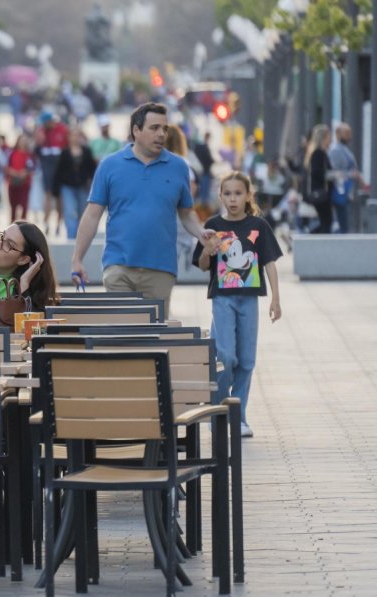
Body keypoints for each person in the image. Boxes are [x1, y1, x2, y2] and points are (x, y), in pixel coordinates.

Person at [70, 103, 215, 316]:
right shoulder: (110, 165)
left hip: (161, 269)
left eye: (164, 129)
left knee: (154, 334)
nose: (161, 134)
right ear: (136, 131)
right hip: (118, 266)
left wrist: (200, 232)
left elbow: (186, 214)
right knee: (124, 330)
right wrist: (77, 259)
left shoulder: (178, 167)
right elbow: (92, 215)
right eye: (154, 128)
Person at [192, 172, 283, 438]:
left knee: (246, 361)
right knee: (226, 356)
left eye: (238, 193)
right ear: (220, 196)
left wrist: (276, 298)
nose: (233, 199)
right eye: (228, 194)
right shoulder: (213, 224)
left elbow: (270, 263)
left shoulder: (259, 225)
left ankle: (238, 417)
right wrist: (208, 249)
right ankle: (219, 410)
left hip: (249, 300)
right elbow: (202, 265)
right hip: (222, 299)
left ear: (248, 196)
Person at [165, 125, 199, 277]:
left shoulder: (162, 162)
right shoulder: (183, 162)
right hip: (179, 213)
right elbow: (191, 188)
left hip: (170, 215)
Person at [52, 128, 97, 239]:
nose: (75, 138)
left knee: (83, 212)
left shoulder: (86, 151)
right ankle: (71, 237)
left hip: (82, 186)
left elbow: (92, 170)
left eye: (77, 135)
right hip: (67, 186)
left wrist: (94, 185)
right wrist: (55, 189)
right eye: (73, 135)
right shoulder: (64, 152)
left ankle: (81, 237)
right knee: (69, 211)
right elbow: (58, 171)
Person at [35, 111, 69, 235]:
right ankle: (46, 223)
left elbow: (67, 146)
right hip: (46, 164)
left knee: (59, 195)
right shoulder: (42, 131)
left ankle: (59, 223)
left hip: (59, 165)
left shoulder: (62, 129)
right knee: (47, 194)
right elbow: (36, 148)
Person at [328, 122, 363, 233]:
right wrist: (350, 174)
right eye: (347, 133)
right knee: (342, 224)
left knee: (345, 224)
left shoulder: (344, 149)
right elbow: (334, 172)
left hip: (347, 193)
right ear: (338, 134)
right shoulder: (335, 150)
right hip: (340, 193)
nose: (350, 136)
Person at [303, 123, 333, 235]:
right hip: (320, 193)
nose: (330, 140)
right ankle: (309, 239)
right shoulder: (318, 153)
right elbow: (317, 172)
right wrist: (331, 175)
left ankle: (309, 237)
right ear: (323, 138)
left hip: (319, 193)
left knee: (324, 222)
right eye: (329, 137)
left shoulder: (316, 152)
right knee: (326, 222)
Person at [4, 134, 35, 223]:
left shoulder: (29, 155)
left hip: (24, 183)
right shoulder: (12, 154)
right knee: (13, 206)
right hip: (13, 183)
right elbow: (7, 167)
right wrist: (13, 172)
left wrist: (24, 173)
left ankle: (23, 225)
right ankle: (12, 224)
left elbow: (31, 168)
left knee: (24, 206)